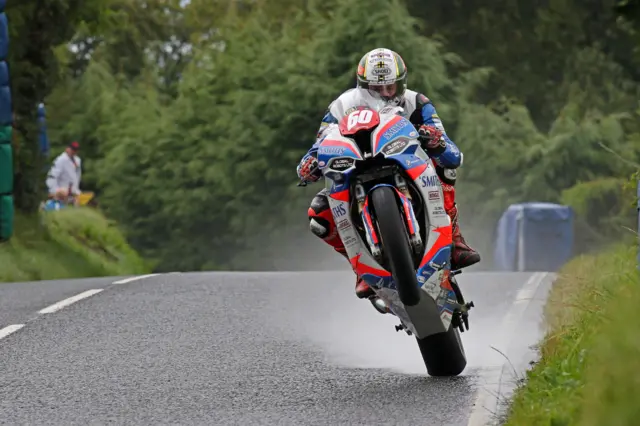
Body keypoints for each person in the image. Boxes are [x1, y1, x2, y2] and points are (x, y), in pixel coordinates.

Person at [296, 47, 481, 300]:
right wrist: (309, 164)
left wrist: (436, 142)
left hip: (404, 163)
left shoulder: (417, 103)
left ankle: (454, 239)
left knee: (445, 169)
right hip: (354, 168)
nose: (384, 94)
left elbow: (453, 155)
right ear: (363, 85)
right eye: (376, 88)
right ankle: (360, 266)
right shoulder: (341, 106)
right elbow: (320, 143)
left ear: (401, 84)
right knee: (318, 216)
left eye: (390, 88)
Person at [45, 141, 82, 205]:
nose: (74, 152)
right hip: (62, 191)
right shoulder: (60, 160)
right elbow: (52, 176)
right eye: (72, 149)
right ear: (67, 149)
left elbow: (77, 176)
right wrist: (54, 191)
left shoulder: (77, 160)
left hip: (73, 191)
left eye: (76, 150)